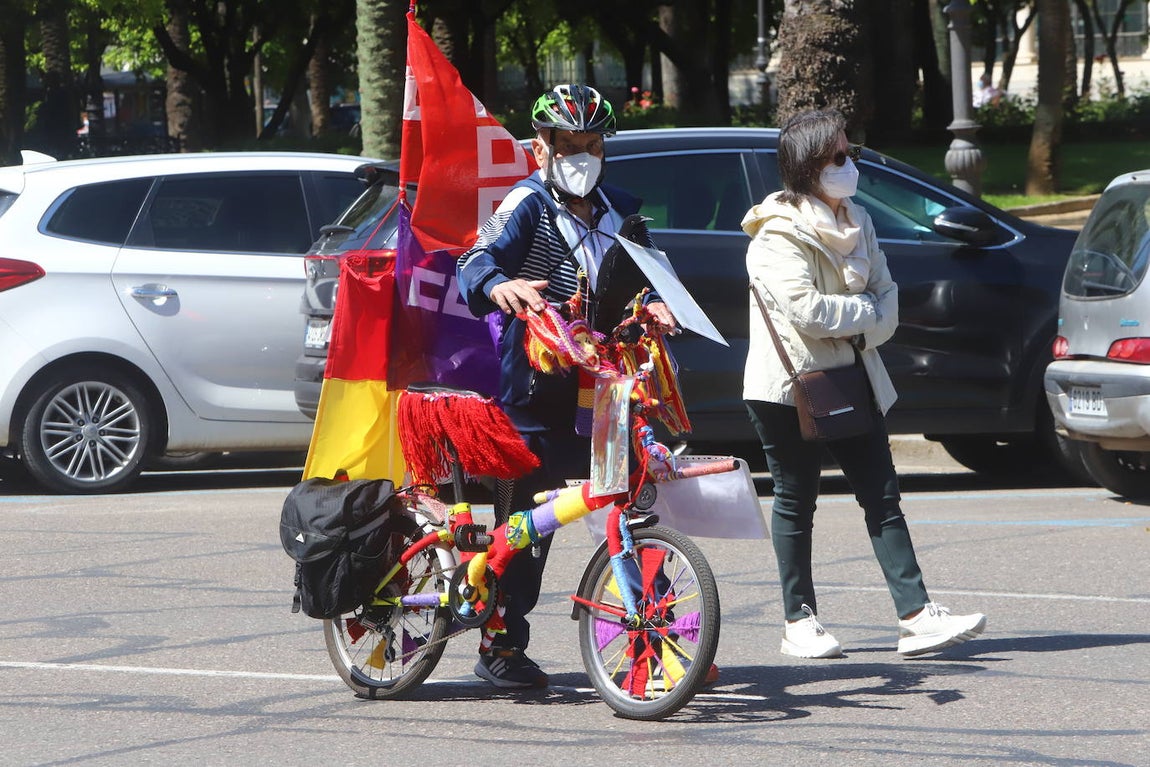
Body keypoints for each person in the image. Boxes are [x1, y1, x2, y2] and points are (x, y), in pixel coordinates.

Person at [741, 109, 987, 659]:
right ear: (808, 166)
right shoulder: (776, 236)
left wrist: (862, 314)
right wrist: (865, 312)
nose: (849, 164)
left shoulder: (860, 220)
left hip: (853, 374)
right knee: (794, 498)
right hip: (789, 385)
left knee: (882, 495)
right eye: (838, 156)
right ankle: (798, 620)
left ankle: (917, 614)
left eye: (849, 152)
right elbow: (809, 314)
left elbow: (889, 301)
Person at [456, 84, 678, 688]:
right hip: (536, 391)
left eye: (591, 144)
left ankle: (655, 643)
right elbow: (473, 260)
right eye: (567, 145)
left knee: (629, 517)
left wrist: (656, 306)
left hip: (607, 389)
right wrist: (501, 286)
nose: (581, 155)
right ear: (540, 147)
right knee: (526, 527)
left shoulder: (623, 211)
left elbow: (651, 279)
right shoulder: (526, 204)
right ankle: (501, 647)